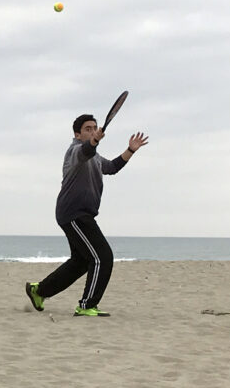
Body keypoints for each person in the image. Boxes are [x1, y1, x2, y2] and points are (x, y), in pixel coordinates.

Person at [25, 114, 148, 317]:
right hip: (74, 213)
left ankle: (39, 291)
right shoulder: (74, 151)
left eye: (94, 128)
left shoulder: (96, 158)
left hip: (81, 214)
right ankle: (86, 306)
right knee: (103, 257)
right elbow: (85, 150)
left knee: (81, 261)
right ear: (77, 134)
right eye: (88, 129)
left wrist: (131, 150)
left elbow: (113, 167)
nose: (92, 131)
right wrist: (95, 140)